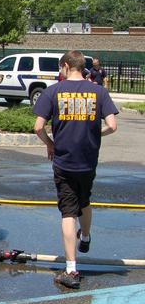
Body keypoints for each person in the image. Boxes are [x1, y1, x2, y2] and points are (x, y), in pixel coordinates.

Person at [33, 50, 118, 289]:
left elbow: (38, 127)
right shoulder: (99, 92)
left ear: (66, 66)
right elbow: (112, 125)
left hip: (64, 160)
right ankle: (87, 236)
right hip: (88, 160)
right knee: (84, 200)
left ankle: (71, 268)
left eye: (61, 67)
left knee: (68, 211)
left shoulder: (53, 92)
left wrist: (50, 144)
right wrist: (95, 134)